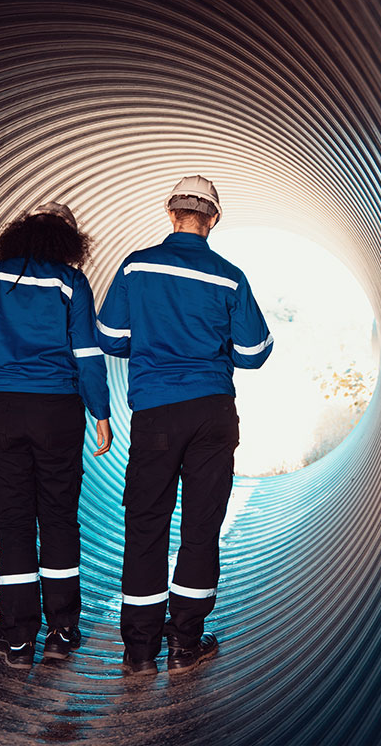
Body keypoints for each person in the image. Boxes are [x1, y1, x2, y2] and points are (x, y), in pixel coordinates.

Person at [94, 175, 273, 674]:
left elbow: (109, 336)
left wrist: (151, 342)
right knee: (200, 526)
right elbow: (255, 352)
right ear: (213, 219)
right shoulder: (230, 277)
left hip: (156, 412)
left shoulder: (137, 265)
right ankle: (184, 643)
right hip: (212, 411)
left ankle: (139, 649)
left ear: (171, 213)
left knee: (145, 524)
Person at [0, 202, 113, 669]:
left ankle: (18, 638)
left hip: (1, 409)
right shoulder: (71, 282)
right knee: (59, 519)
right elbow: (86, 352)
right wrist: (100, 412)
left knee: (15, 524)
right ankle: (62, 630)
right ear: (68, 244)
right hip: (57, 410)